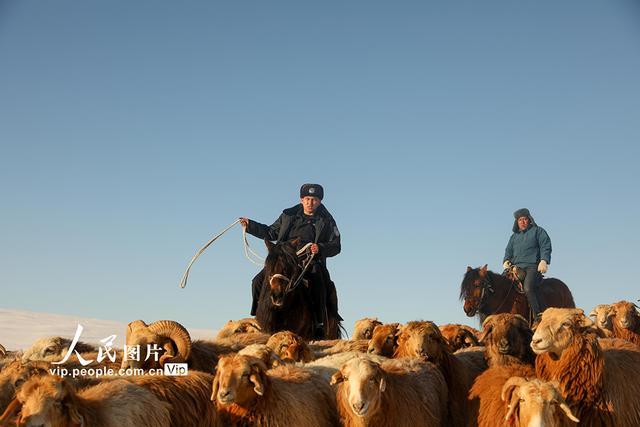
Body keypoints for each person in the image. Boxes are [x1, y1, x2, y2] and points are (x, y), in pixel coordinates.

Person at [239, 183, 341, 335]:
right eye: (307, 199)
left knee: (320, 284)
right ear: (301, 200)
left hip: (310, 261)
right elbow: (271, 232)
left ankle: (320, 324)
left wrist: (320, 248)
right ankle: (256, 317)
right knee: (258, 281)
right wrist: (250, 226)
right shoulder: (288, 215)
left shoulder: (327, 220)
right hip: (284, 258)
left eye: (314, 199)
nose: (310, 203)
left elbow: (336, 245)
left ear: (319, 202)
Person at [502, 208, 552, 319]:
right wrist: (506, 260)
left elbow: (545, 246)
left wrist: (544, 260)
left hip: (532, 267)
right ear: (517, 222)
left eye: (525, 219)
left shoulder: (538, 231)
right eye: (520, 220)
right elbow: (508, 250)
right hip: (515, 267)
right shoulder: (514, 237)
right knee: (500, 285)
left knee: (528, 288)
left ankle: (537, 316)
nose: (522, 222)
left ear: (529, 220)